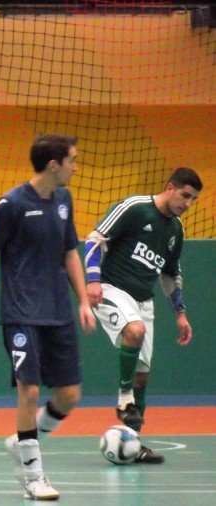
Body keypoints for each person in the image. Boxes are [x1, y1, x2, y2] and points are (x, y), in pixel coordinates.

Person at [0, 134, 96, 501]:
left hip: (58, 312)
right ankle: (33, 476)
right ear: (53, 164)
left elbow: (70, 252)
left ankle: (23, 441)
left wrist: (83, 300)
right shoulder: (11, 204)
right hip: (21, 313)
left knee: (69, 395)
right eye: (72, 160)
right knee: (30, 389)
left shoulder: (64, 200)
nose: (76, 166)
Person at [84, 167, 202, 464]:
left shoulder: (176, 230)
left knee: (142, 375)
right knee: (134, 331)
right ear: (170, 187)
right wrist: (93, 279)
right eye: (185, 195)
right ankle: (123, 400)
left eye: (193, 199)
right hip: (111, 289)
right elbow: (94, 239)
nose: (188, 204)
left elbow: (171, 274)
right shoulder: (135, 208)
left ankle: (133, 443)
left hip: (143, 301)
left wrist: (180, 313)